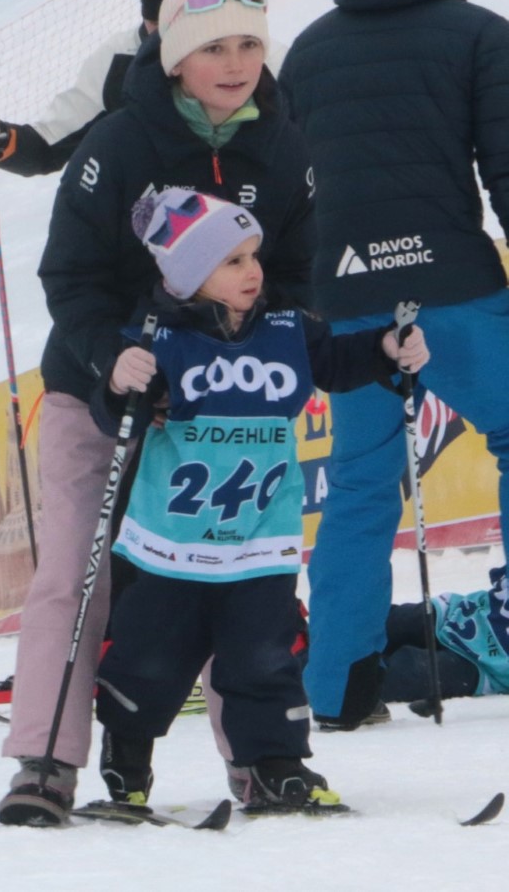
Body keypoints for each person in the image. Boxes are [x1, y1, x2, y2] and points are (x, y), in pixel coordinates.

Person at [0, 0, 315, 826]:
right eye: (214, 48)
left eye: (249, 45)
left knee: (240, 573)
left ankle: (264, 761)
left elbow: (299, 275)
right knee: (76, 573)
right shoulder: (119, 142)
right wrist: (115, 356)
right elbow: (70, 275)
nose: (236, 63)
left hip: (223, 411)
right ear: (175, 59)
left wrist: (265, 353)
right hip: (100, 393)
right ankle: (47, 760)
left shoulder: (283, 145)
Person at [90, 188, 426, 814]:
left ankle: (277, 766)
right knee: (149, 658)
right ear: (189, 275)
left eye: (253, 256)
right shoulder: (157, 338)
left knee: (265, 657)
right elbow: (115, 415)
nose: (253, 272)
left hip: (260, 539)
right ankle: (127, 765)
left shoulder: (286, 328)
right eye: (233, 261)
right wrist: (118, 381)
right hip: (171, 543)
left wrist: (388, 349)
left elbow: (339, 360)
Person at [276, 0, 509, 731]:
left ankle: (339, 688)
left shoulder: (308, 49)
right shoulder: (481, 35)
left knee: (362, 481)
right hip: (455, 287)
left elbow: (290, 190)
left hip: (346, 299)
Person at [0, 0, 216, 176]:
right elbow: (51, 141)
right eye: (155, 23)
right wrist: (6, 143)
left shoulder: (233, 51)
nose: (163, 35)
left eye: (175, 23)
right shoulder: (120, 58)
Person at [380, 567, 509, 710]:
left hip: (480, 667)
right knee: (386, 624)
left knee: (410, 673)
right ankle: (359, 657)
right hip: (456, 614)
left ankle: (362, 680)